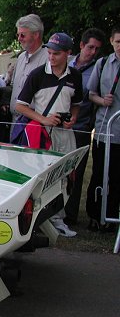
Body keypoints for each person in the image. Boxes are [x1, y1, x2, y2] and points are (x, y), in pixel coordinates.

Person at [16, 33, 83, 237]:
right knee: (41, 177)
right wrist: (43, 119)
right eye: (50, 52)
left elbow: (77, 104)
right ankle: (38, 220)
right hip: (42, 134)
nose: (51, 57)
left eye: (56, 53)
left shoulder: (75, 76)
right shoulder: (37, 74)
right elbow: (20, 105)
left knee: (65, 176)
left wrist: (72, 118)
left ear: (68, 54)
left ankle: (58, 219)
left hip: (64, 133)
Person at [64, 28, 106, 226]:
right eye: (90, 47)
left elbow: (94, 94)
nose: (93, 52)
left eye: (97, 49)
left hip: (82, 125)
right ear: (81, 45)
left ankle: (70, 215)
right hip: (61, 125)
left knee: (77, 172)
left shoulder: (99, 67)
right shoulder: (66, 62)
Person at [85, 26, 120, 232]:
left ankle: (112, 217)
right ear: (112, 41)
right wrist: (101, 100)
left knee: (117, 178)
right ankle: (95, 215)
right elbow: (90, 94)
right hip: (104, 129)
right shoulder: (103, 63)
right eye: (118, 42)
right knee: (99, 174)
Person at [10, 14, 48, 125]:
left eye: (22, 35)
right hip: (15, 122)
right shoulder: (21, 57)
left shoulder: (48, 59)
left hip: (34, 124)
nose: (19, 39)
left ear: (36, 35)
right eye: (18, 35)